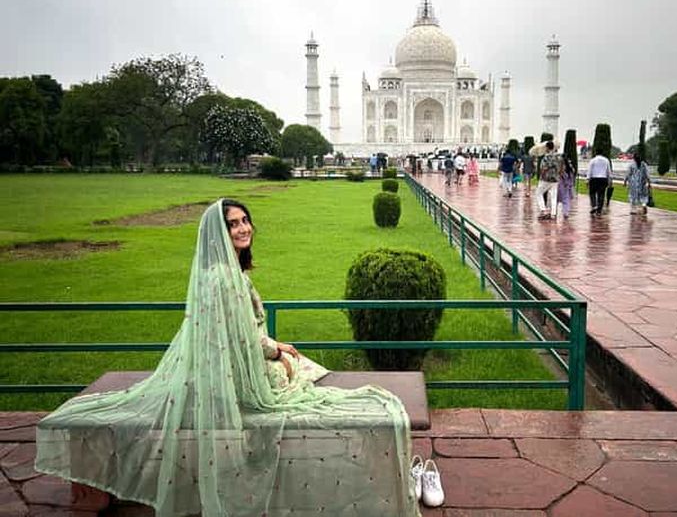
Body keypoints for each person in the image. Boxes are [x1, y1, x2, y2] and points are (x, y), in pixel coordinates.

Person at [36, 199, 418, 516]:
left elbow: (236, 332)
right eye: (233, 224)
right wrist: (276, 351)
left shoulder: (217, 271)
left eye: (245, 220)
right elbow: (242, 338)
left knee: (300, 364)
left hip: (221, 366)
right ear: (219, 232)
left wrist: (273, 346)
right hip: (237, 378)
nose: (243, 228)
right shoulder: (225, 278)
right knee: (302, 373)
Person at [535, 141, 562, 220]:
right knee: (554, 196)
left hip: (545, 178)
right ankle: (553, 214)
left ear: (547, 148)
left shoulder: (546, 157)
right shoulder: (558, 157)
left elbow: (543, 168)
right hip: (555, 179)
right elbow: (561, 168)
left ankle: (543, 210)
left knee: (538, 193)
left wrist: (541, 176)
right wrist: (558, 175)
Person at [587, 150, 613, 215]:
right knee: (601, 194)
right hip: (603, 178)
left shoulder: (593, 160)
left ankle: (594, 205)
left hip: (594, 178)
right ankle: (599, 210)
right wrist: (610, 179)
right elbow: (609, 171)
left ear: (596, 153)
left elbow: (589, 170)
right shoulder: (606, 160)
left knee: (592, 193)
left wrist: (587, 179)